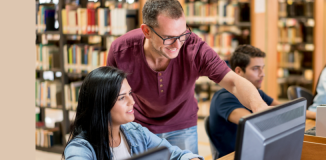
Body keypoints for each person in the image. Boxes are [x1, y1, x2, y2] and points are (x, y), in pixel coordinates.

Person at [106, 0, 269, 153]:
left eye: (183, 34)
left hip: (182, 126)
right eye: (169, 38)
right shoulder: (120, 50)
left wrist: (260, 109)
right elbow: (109, 95)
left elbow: (234, 82)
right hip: (139, 126)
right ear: (147, 31)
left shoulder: (195, 48)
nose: (178, 46)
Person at [63, 66, 203, 160]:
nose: (132, 102)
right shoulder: (79, 149)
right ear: (101, 104)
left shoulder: (137, 132)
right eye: (122, 97)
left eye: (130, 93)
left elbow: (175, 155)